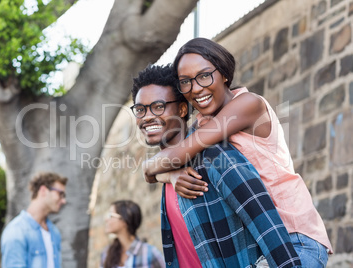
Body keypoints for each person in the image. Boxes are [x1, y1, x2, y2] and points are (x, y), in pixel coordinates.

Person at [142, 38, 332, 268]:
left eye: (204, 75)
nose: (196, 88)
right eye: (185, 82)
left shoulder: (249, 104)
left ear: (224, 74)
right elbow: (157, 172)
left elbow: (178, 155)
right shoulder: (203, 126)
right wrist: (170, 175)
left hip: (294, 237)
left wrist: (149, 166)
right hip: (260, 242)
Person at [1, 172, 68, 268]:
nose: (63, 200)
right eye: (60, 194)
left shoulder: (54, 232)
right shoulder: (16, 231)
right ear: (43, 190)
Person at [100, 200, 165, 268]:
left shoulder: (150, 253)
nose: (106, 219)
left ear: (124, 220)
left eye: (111, 215)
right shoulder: (106, 253)